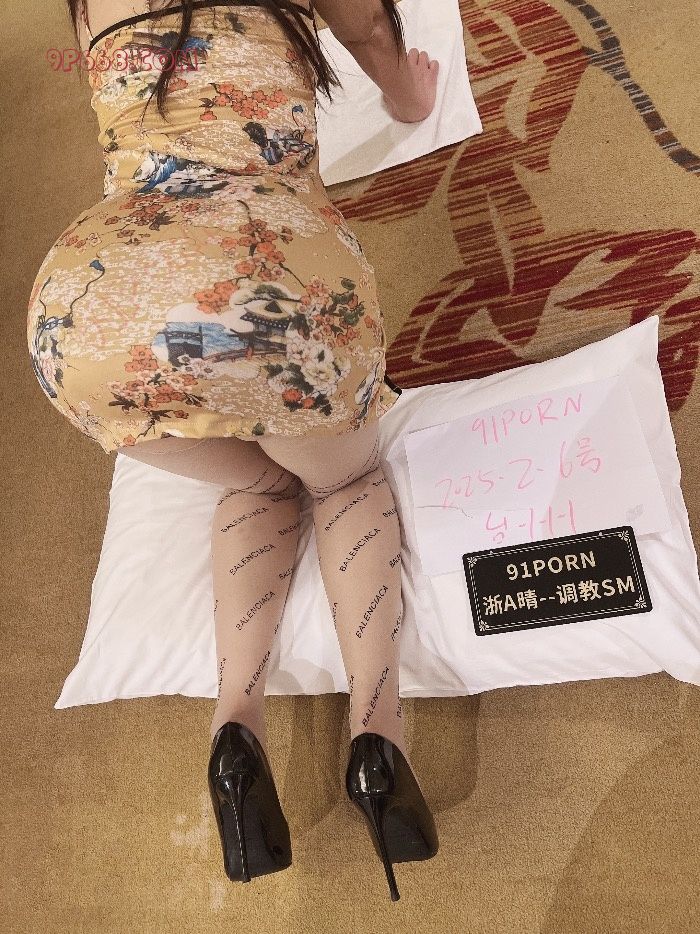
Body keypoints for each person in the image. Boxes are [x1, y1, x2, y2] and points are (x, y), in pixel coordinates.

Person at [27, 0, 440, 901]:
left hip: (86, 320)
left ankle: (234, 729)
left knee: (258, 483)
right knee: (345, 481)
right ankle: (377, 735)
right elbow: (376, 39)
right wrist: (411, 97)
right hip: (261, 279)